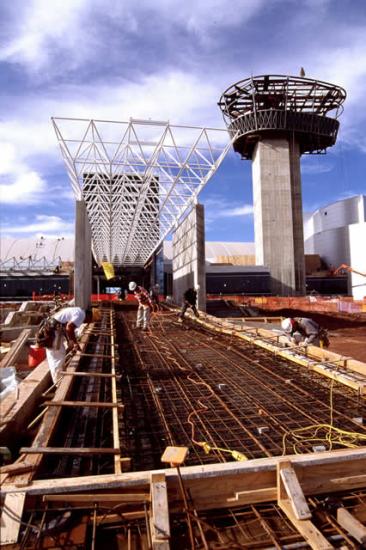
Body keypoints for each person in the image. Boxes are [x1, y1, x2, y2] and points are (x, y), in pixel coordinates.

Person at [36, 306, 93, 384]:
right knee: (57, 358)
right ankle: (58, 383)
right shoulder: (81, 315)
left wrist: (71, 343)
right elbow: (69, 327)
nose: (87, 323)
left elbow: (67, 326)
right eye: (89, 321)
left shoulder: (78, 311)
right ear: (89, 316)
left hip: (53, 330)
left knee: (59, 355)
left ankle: (59, 378)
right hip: (53, 332)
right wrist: (75, 343)